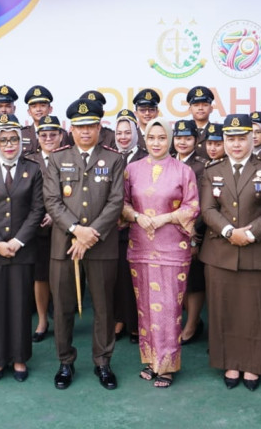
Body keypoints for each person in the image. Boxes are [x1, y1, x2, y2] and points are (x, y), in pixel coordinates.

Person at [42, 98, 125, 390]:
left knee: (103, 308)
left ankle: (103, 362)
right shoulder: (57, 158)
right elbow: (52, 201)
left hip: (102, 246)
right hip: (64, 246)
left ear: (99, 127)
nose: (85, 131)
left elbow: (117, 201)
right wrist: (77, 230)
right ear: (71, 129)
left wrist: (92, 234)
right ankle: (65, 362)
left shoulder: (115, 159)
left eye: (90, 125)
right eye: (79, 127)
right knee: (63, 307)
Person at [200, 113, 261, 390]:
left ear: (252, 138)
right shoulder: (212, 171)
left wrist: (248, 234)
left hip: (257, 252)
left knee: (255, 312)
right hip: (220, 253)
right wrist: (229, 232)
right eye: (230, 139)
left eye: (241, 138)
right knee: (223, 311)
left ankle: (254, 365)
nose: (236, 145)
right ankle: (230, 363)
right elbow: (207, 210)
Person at [122, 118, 199, 388]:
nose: (156, 143)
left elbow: (192, 208)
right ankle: (149, 360)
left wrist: (166, 218)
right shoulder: (131, 170)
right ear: (145, 139)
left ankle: (167, 365)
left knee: (168, 310)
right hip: (140, 247)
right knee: (145, 309)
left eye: (162, 138)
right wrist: (136, 216)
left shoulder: (183, 171)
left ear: (170, 140)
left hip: (172, 250)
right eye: (152, 137)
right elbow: (121, 204)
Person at [0, 114, 45, 382]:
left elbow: (37, 210)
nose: (9, 144)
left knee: (18, 305)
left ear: (20, 141)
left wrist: (17, 241)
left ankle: (19, 357)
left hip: (21, 249)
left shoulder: (33, 169)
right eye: (3, 140)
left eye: (13, 139)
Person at [24, 115, 66, 343]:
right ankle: (42, 320)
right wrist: (40, 216)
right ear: (37, 137)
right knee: (40, 276)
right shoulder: (29, 160)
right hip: (37, 228)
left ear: (61, 135)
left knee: (61, 278)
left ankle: (61, 318)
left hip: (63, 227)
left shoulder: (70, 157)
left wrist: (55, 215)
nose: (48, 138)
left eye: (53, 134)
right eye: (44, 134)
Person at [111, 109, 146, 344]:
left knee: (137, 278)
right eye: (119, 133)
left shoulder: (145, 156)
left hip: (138, 226)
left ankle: (136, 324)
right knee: (117, 277)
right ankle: (119, 319)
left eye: (128, 132)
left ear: (135, 133)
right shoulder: (111, 156)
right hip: (113, 228)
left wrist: (130, 215)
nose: (123, 137)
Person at [173, 120, 208, 346]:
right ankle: (186, 320)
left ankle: (193, 323)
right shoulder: (167, 162)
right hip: (169, 232)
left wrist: (195, 235)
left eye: (187, 138)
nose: (182, 142)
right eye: (178, 138)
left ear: (196, 140)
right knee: (179, 280)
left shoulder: (203, 166)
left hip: (192, 231)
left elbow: (205, 205)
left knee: (193, 281)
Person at [21, 85, 53, 154]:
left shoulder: (61, 134)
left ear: (50, 109)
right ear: (29, 111)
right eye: (34, 106)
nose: (38, 109)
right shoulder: (21, 134)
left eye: (43, 105)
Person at [187, 86, 215, 155]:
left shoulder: (218, 132)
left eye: (205, 105)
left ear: (211, 109)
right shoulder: (182, 131)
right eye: (196, 105)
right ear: (190, 109)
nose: (200, 108)